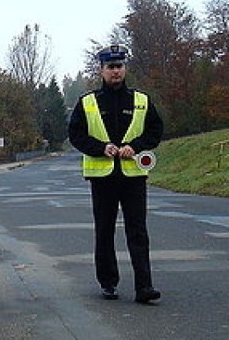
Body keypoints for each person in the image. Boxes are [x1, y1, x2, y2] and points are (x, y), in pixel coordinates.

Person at [68, 45, 164, 304]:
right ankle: (108, 283)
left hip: (133, 176)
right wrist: (101, 148)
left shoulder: (142, 100)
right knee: (105, 231)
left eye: (119, 66)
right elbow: (75, 134)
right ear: (101, 70)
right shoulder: (87, 102)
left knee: (138, 231)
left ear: (125, 69)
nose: (115, 71)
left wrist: (136, 147)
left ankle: (144, 287)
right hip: (103, 177)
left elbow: (156, 130)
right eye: (110, 67)